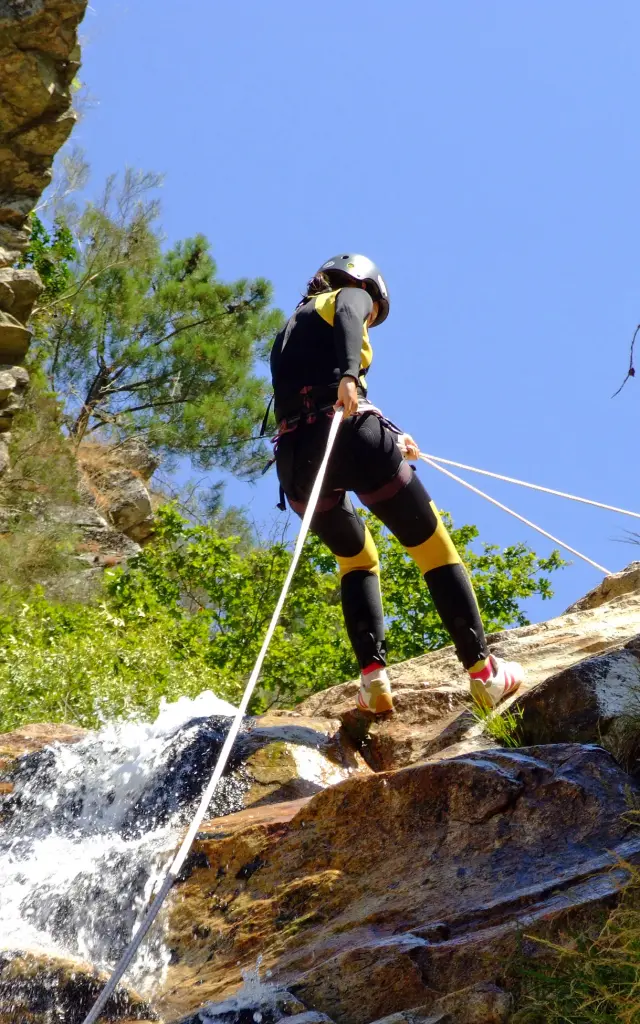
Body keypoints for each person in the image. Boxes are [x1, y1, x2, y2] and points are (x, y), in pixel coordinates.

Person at [269, 254, 525, 714]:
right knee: (432, 547)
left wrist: (390, 428)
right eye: (372, 308)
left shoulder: (287, 332)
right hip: (349, 435)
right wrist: (351, 374)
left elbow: (311, 394)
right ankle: (484, 674)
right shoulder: (346, 296)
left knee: (357, 558)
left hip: (297, 465)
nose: (367, 314)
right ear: (362, 283)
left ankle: (373, 680)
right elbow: (348, 321)